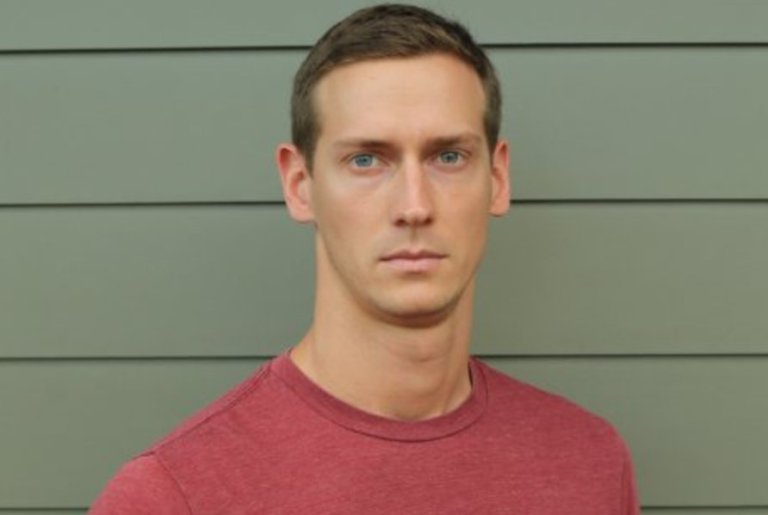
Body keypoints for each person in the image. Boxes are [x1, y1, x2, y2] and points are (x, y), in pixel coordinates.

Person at [90, 4, 639, 513]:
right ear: (299, 185)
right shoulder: (172, 495)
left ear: (497, 178)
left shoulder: (588, 461)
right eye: (366, 161)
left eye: (449, 156)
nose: (414, 206)